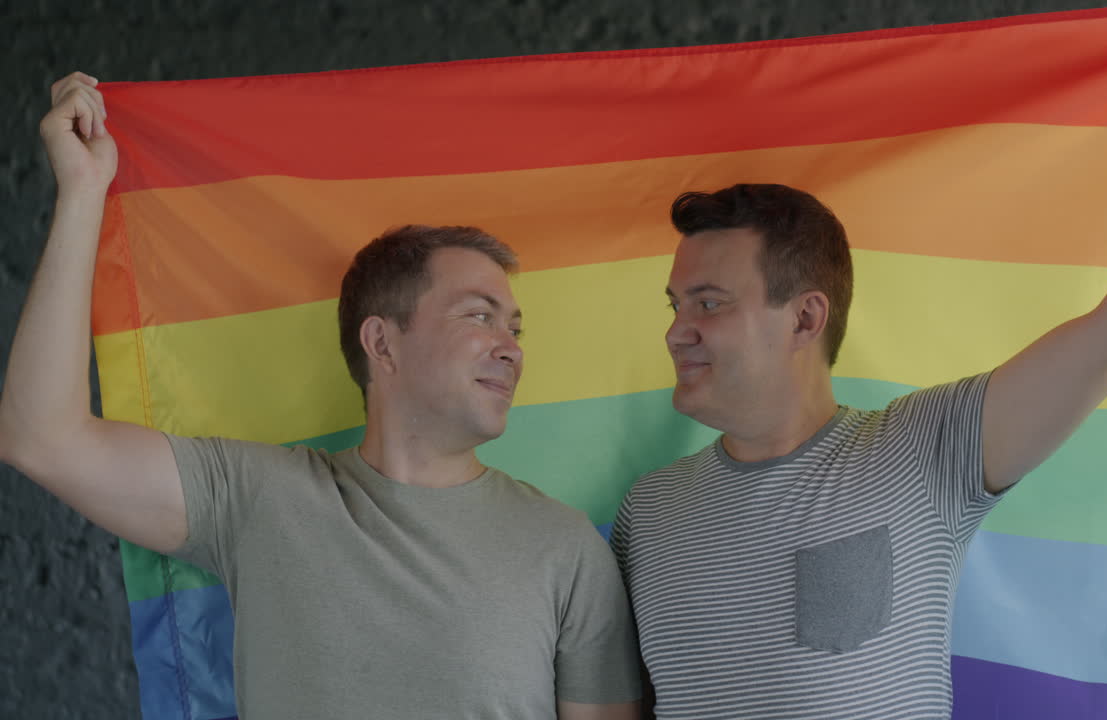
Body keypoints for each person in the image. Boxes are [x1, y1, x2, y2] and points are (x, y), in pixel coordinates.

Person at [611, 7, 1107, 719]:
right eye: (675, 306)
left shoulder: (923, 450)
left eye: (708, 304)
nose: (678, 331)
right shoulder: (646, 515)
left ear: (805, 317)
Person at [0, 72, 642, 720]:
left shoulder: (567, 550)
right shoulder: (256, 499)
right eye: (479, 317)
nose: (511, 347)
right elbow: (41, 436)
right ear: (382, 343)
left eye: (515, 327)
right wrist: (83, 192)